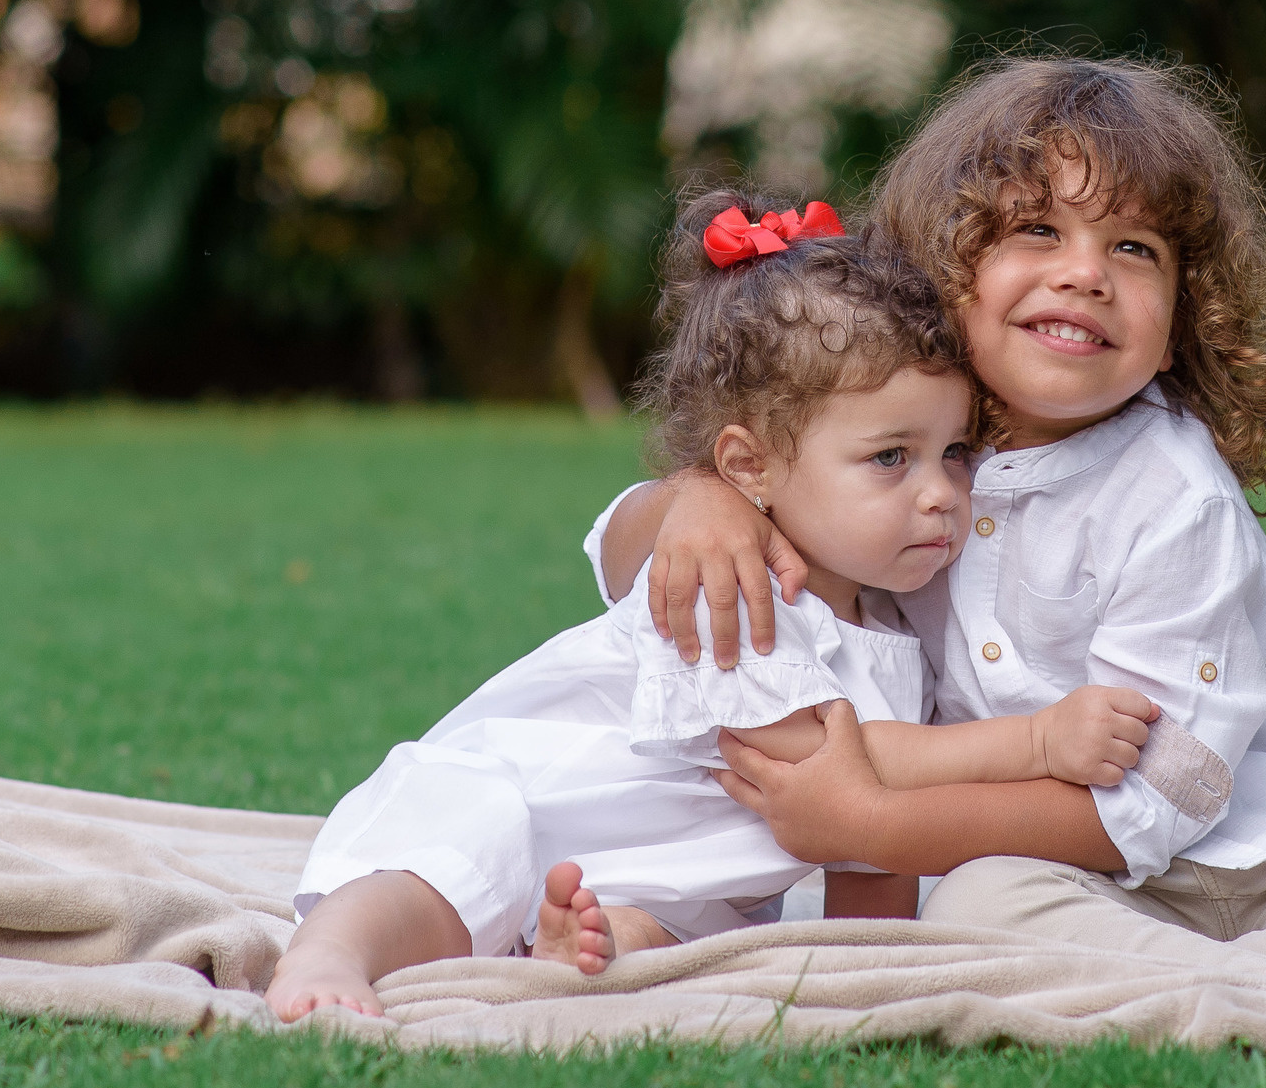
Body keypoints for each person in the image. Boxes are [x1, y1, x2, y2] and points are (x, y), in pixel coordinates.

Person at [594, 56, 1266, 991]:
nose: (1085, 274)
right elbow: (629, 569)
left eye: (1135, 249)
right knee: (972, 908)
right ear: (942, 263)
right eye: (1038, 229)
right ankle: (1254, 986)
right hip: (1047, 874)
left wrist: (870, 826)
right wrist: (700, 498)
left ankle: (1224, 975)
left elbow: (1161, 798)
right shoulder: (890, 454)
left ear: (1185, 309)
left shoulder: (1176, 499)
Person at [266, 192, 1161, 1020]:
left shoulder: (894, 619)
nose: (940, 494)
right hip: (529, 803)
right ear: (749, 467)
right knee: (453, 864)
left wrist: (862, 972)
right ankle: (329, 955)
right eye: (892, 457)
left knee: (667, 936)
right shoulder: (739, 589)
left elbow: (868, 846)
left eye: (957, 452)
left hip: (656, 879)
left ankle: (573, 946)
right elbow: (840, 761)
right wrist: (1037, 742)